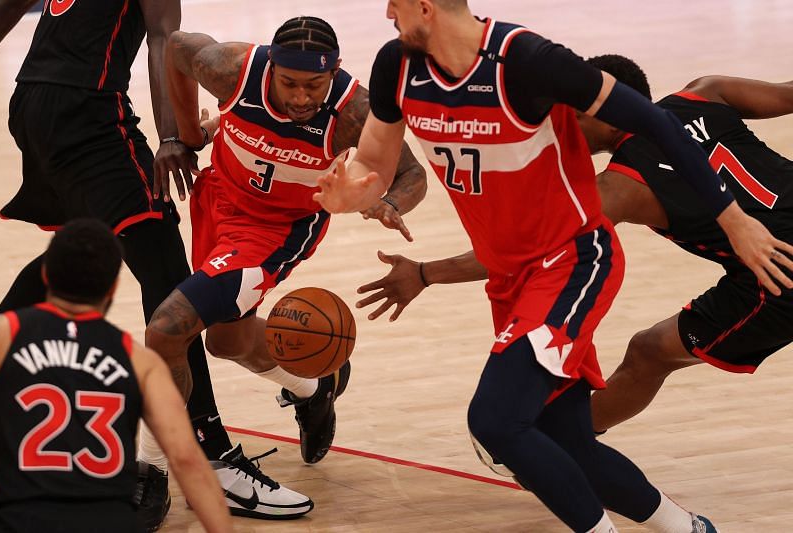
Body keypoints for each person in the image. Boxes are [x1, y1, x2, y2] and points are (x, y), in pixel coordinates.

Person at [312, 1, 793, 531]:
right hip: (514, 278)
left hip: (577, 264)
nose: (386, 12)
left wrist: (734, 219)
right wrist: (349, 195)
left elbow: (653, 120)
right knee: (563, 438)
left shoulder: (532, 68)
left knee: (495, 422)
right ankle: (688, 527)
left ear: (425, 7)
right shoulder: (396, 65)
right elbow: (375, 166)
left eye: (395, 4)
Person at [355, 56, 793, 440]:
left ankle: (564, 448)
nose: (559, 124)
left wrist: (425, 273)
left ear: (612, 114)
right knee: (649, 348)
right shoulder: (705, 93)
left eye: (571, 115)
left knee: (649, 352)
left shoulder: (617, 188)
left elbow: (517, 250)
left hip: (777, 279)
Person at [136, 15, 427, 521]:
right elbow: (177, 47)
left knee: (166, 329)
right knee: (224, 342)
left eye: (313, 84)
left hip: (272, 234)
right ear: (269, 66)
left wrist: (392, 204)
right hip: (219, 200)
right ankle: (315, 387)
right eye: (289, 83)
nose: (300, 96)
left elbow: (412, 173)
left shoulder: (354, 109)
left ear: (334, 71)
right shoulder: (234, 70)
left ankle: (153, 469)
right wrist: (183, 135)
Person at [0, 1, 229, 529]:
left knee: (82, 250)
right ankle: (204, 447)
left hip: (32, 104)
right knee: (166, 267)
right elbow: (164, 38)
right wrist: (171, 136)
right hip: (89, 110)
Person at [0, 219, 232, 533]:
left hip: (20, 517)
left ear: (45, 275)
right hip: (108, 520)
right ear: (113, 288)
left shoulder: (3, 336)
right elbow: (187, 460)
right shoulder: (140, 361)